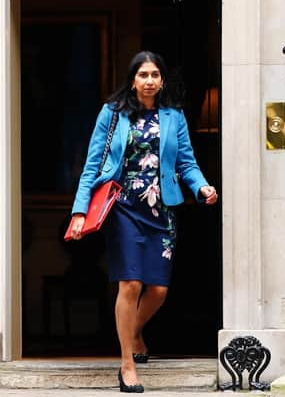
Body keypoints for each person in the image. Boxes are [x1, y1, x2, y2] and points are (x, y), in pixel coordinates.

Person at [68, 51, 218, 393]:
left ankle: (134, 331)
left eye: (155, 74)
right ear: (132, 79)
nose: (149, 80)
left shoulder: (173, 116)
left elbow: (186, 162)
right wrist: (79, 210)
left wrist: (201, 186)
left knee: (159, 289)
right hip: (122, 206)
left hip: (161, 209)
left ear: (162, 80)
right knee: (130, 284)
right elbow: (93, 164)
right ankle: (126, 364)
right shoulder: (113, 113)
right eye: (143, 74)